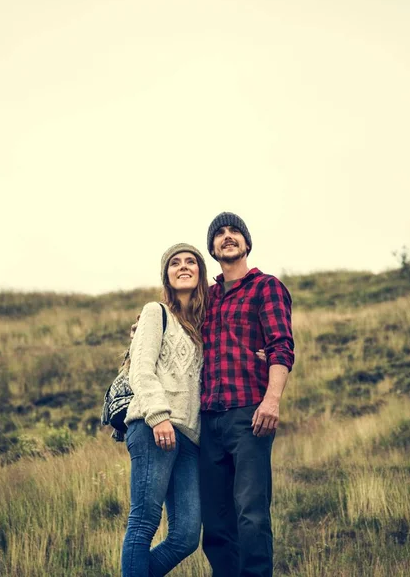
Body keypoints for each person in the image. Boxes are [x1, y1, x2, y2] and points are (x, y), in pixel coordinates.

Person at [200, 212, 295, 577]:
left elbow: (281, 346)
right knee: (216, 524)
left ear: (246, 243)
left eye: (234, 231)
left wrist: (271, 400)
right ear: (211, 247)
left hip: (248, 415)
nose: (227, 236)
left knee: (251, 514)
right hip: (208, 418)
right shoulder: (205, 299)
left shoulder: (265, 287)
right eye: (219, 233)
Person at [121, 243, 207, 577]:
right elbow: (140, 370)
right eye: (175, 262)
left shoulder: (203, 326)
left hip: (189, 440)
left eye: (190, 261)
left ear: (200, 272)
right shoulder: (155, 312)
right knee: (143, 522)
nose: (183, 266)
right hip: (153, 427)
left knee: (186, 536)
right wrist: (158, 416)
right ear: (167, 275)